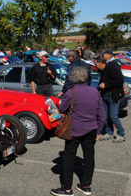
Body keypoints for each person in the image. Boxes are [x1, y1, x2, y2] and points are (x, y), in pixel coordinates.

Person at [50, 66, 106, 196]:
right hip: (91, 129)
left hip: (74, 129)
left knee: (68, 158)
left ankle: (67, 189)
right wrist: (98, 131)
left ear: (72, 78)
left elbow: (62, 109)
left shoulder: (71, 92)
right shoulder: (95, 92)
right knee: (89, 157)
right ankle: (86, 185)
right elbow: (102, 115)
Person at [95, 51, 126, 143]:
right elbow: (103, 79)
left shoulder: (113, 65)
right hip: (104, 95)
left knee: (113, 116)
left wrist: (106, 84)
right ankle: (109, 133)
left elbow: (120, 80)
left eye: (96, 64)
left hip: (112, 95)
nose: (95, 66)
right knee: (105, 116)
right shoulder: (104, 68)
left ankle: (121, 134)